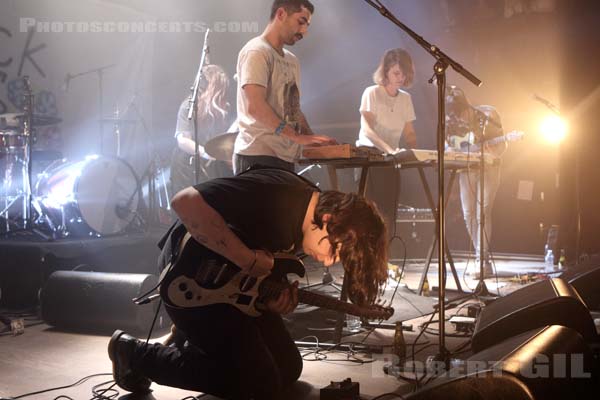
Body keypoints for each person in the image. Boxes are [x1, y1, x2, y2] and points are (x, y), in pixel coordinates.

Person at [107, 166, 389, 399]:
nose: (329, 261)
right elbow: (185, 202)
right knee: (257, 383)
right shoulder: (274, 195)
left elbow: (261, 269)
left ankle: (192, 345)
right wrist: (246, 258)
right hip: (190, 277)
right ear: (327, 219)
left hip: (229, 291)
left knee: (289, 368)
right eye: (335, 251)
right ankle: (134, 354)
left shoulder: (306, 221)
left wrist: (273, 300)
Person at [233, 0, 335, 174]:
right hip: (257, 156)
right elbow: (255, 107)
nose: (304, 31)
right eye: (301, 22)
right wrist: (297, 137)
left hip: (285, 156)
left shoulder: (292, 60)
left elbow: (293, 107)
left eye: (307, 25)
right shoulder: (257, 51)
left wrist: (312, 138)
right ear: (281, 14)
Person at [356, 48, 418, 245]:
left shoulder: (406, 98)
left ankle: (383, 260)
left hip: (392, 160)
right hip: (369, 158)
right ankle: (363, 259)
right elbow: (366, 129)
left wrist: (418, 151)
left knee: (388, 213)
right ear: (386, 72)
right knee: (367, 213)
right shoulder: (372, 92)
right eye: (396, 73)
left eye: (404, 73)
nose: (401, 78)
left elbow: (409, 133)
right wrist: (389, 150)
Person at [445, 86, 506, 278]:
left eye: (461, 112)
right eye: (455, 114)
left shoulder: (487, 113)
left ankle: (482, 259)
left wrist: (490, 152)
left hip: (489, 167)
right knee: (468, 213)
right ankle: (481, 254)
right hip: (467, 168)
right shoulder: (451, 121)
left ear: (467, 107)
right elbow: (448, 145)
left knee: (483, 211)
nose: (459, 117)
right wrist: (450, 150)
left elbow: (502, 144)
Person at [170, 64, 234, 196]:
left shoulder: (221, 111)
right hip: (187, 169)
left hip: (210, 170)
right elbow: (182, 140)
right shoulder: (189, 105)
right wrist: (206, 153)